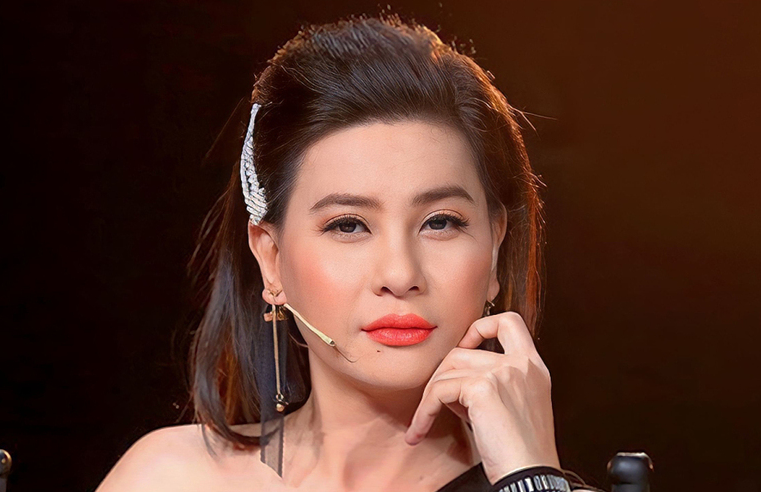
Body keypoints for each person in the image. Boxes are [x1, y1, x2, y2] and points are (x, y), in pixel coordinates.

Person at [96, 14, 605, 492]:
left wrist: (531, 476)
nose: (400, 274)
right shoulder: (169, 477)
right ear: (271, 259)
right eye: (348, 225)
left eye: (440, 222)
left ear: (494, 246)